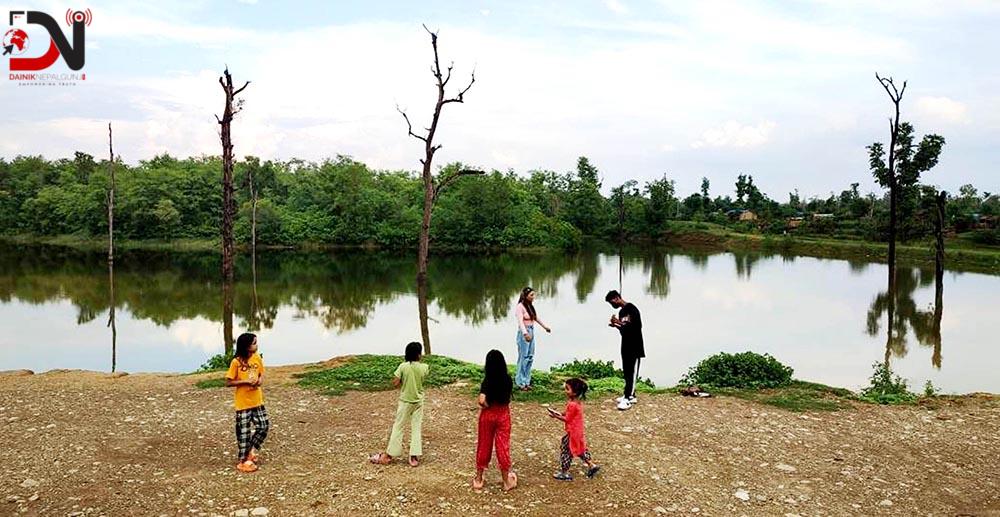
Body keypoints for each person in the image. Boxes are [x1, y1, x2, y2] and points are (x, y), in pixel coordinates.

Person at [370, 341, 429, 467]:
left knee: (398, 426)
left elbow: (395, 382)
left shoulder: (403, 366)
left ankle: (389, 455)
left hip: (405, 401)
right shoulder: (424, 367)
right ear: (419, 355)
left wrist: (403, 380)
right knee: (416, 427)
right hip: (418, 401)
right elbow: (421, 379)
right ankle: (413, 456)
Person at [224, 332, 270, 473]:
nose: (257, 345)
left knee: (263, 426)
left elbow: (261, 374)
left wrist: (259, 381)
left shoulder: (257, 358)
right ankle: (244, 460)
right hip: (243, 403)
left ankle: (250, 450)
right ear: (246, 346)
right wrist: (245, 381)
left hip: (257, 400)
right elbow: (229, 382)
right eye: (254, 343)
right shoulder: (236, 362)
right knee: (243, 433)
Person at [473, 350, 518, 491]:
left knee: (484, 445)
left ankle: (479, 479)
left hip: (488, 415)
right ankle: (506, 481)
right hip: (503, 414)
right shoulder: (508, 379)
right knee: (502, 446)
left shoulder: (487, 380)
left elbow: (481, 400)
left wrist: (487, 406)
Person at [547, 378, 600, 480]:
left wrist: (556, 416)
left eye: (567, 389)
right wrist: (559, 413)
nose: (565, 391)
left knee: (566, 450)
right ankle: (591, 465)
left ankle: (565, 472)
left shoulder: (572, 404)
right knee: (580, 448)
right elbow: (568, 414)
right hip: (577, 432)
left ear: (574, 392)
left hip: (573, 432)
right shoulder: (576, 402)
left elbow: (567, 419)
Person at [605, 290, 645, 411]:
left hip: (635, 346)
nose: (612, 305)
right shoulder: (621, 312)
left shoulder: (632, 309)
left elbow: (636, 327)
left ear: (617, 298)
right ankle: (629, 394)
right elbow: (624, 331)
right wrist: (616, 325)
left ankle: (628, 398)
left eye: (612, 302)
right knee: (627, 371)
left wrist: (619, 322)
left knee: (632, 372)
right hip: (625, 345)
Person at [514, 286, 551, 390]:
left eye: (534, 295)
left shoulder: (530, 306)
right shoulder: (520, 307)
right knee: (523, 357)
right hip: (524, 332)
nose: (533, 297)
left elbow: (535, 317)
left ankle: (527, 381)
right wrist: (525, 334)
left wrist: (545, 327)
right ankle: (520, 382)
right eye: (531, 295)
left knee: (530, 356)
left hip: (531, 331)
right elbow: (520, 322)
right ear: (525, 296)